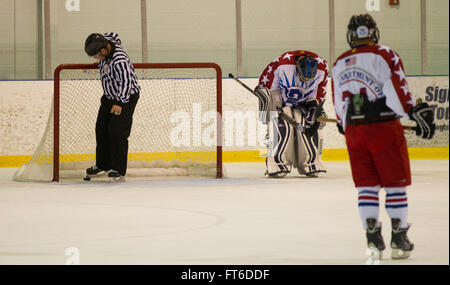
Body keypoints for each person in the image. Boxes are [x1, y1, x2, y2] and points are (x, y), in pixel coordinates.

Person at [331, 14, 435, 259]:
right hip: (384, 128)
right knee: (395, 184)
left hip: (355, 131)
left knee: (366, 186)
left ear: (350, 35)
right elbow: (397, 90)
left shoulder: (339, 62)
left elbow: (338, 105)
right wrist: (412, 113)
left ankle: (372, 241)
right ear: (373, 32)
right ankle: (398, 239)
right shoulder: (385, 54)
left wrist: (344, 125)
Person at [256, 50, 328, 178]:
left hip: (302, 100)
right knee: (282, 125)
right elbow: (268, 89)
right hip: (279, 97)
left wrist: (313, 109)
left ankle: (310, 163)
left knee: (312, 123)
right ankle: (277, 163)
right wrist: (275, 107)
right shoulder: (283, 66)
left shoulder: (322, 69)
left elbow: (317, 96)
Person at [84, 32, 140, 181]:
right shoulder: (106, 44)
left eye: (96, 56)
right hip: (109, 97)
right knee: (101, 129)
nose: (96, 60)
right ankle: (103, 165)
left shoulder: (119, 60)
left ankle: (118, 169)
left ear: (103, 51)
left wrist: (119, 102)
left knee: (117, 132)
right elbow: (112, 35)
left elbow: (126, 82)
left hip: (125, 98)